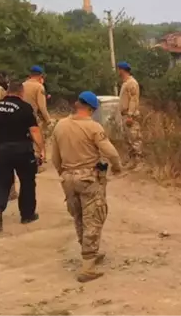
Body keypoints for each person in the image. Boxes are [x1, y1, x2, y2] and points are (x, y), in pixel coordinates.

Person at [51, 91, 122, 282]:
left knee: (79, 216)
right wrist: (117, 167)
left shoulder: (60, 126)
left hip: (67, 178)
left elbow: (55, 158)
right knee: (94, 218)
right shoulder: (93, 127)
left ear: (77, 104)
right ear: (92, 109)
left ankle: (87, 251)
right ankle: (87, 267)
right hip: (89, 178)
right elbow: (111, 152)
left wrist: (64, 173)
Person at [0, 81, 44, 232]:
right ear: (21, 93)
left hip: (1, 150)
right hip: (22, 150)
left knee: (2, 183)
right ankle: (27, 215)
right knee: (27, 182)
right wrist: (41, 149)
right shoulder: (24, 107)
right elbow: (34, 130)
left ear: (7, 92)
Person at [22, 65, 51, 173]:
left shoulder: (22, 85)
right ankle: (36, 165)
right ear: (41, 75)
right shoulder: (39, 87)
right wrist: (48, 120)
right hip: (33, 117)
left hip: (21, 116)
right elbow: (42, 106)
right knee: (37, 141)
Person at [116, 61, 143, 169]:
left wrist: (130, 115)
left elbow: (134, 99)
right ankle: (132, 161)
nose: (118, 71)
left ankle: (139, 162)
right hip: (125, 114)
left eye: (119, 69)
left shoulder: (132, 83)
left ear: (122, 70)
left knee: (135, 138)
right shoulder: (125, 82)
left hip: (129, 115)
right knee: (128, 139)